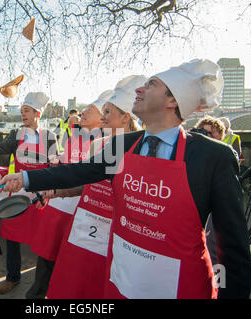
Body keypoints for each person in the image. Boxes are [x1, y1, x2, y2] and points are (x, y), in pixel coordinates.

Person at [0, 59, 251, 299]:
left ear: (172, 100)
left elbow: (232, 245)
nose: (140, 89)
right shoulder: (121, 145)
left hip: (178, 283)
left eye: (151, 84)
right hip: (124, 275)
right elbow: (78, 171)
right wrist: (26, 178)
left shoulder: (213, 156)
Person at [45, 75, 145, 299]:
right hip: (85, 222)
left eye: (108, 112)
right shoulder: (98, 145)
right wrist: (58, 191)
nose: (103, 117)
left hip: (115, 229)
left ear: (125, 117)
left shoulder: (139, 151)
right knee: (75, 283)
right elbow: (85, 183)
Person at [27, 88, 115, 299]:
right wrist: (47, 194)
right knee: (46, 256)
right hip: (58, 206)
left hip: (83, 210)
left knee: (69, 262)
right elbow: (63, 168)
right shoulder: (73, 136)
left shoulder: (108, 144)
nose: (83, 112)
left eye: (90, 109)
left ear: (102, 117)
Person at [0, 91, 57, 296]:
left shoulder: (50, 137)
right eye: (22, 111)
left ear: (37, 113)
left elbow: (54, 168)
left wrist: (48, 193)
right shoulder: (16, 134)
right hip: (18, 190)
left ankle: (41, 285)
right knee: (12, 236)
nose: (23, 114)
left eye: (27, 111)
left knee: (42, 240)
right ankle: (12, 277)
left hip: (40, 194)